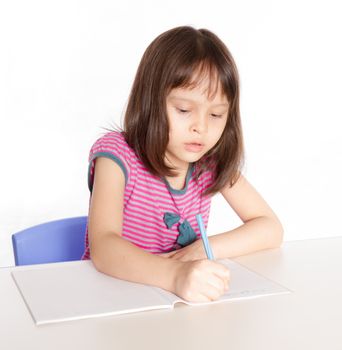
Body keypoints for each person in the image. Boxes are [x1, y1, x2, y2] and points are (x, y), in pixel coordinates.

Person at [82, 26, 283, 303]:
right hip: (111, 299)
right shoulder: (116, 156)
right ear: (150, 102)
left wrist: (203, 248)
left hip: (173, 306)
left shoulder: (209, 164)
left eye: (216, 114)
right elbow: (104, 247)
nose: (200, 127)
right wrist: (176, 274)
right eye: (184, 110)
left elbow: (270, 228)